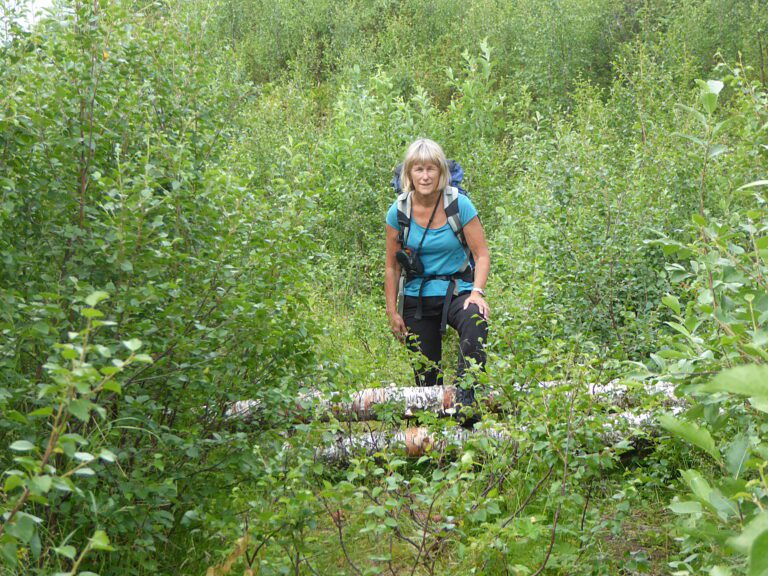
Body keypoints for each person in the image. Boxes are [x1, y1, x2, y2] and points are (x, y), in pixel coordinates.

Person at [384, 138, 490, 412]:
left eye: (431, 169)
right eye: (418, 169)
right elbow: (392, 266)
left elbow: (481, 255)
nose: (425, 176)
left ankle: (467, 401)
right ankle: (433, 440)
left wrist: (477, 293)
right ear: (409, 174)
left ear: (441, 173)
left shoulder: (459, 205)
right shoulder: (399, 212)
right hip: (416, 298)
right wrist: (391, 311)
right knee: (426, 379)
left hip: (457, 291)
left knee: (475, 320)